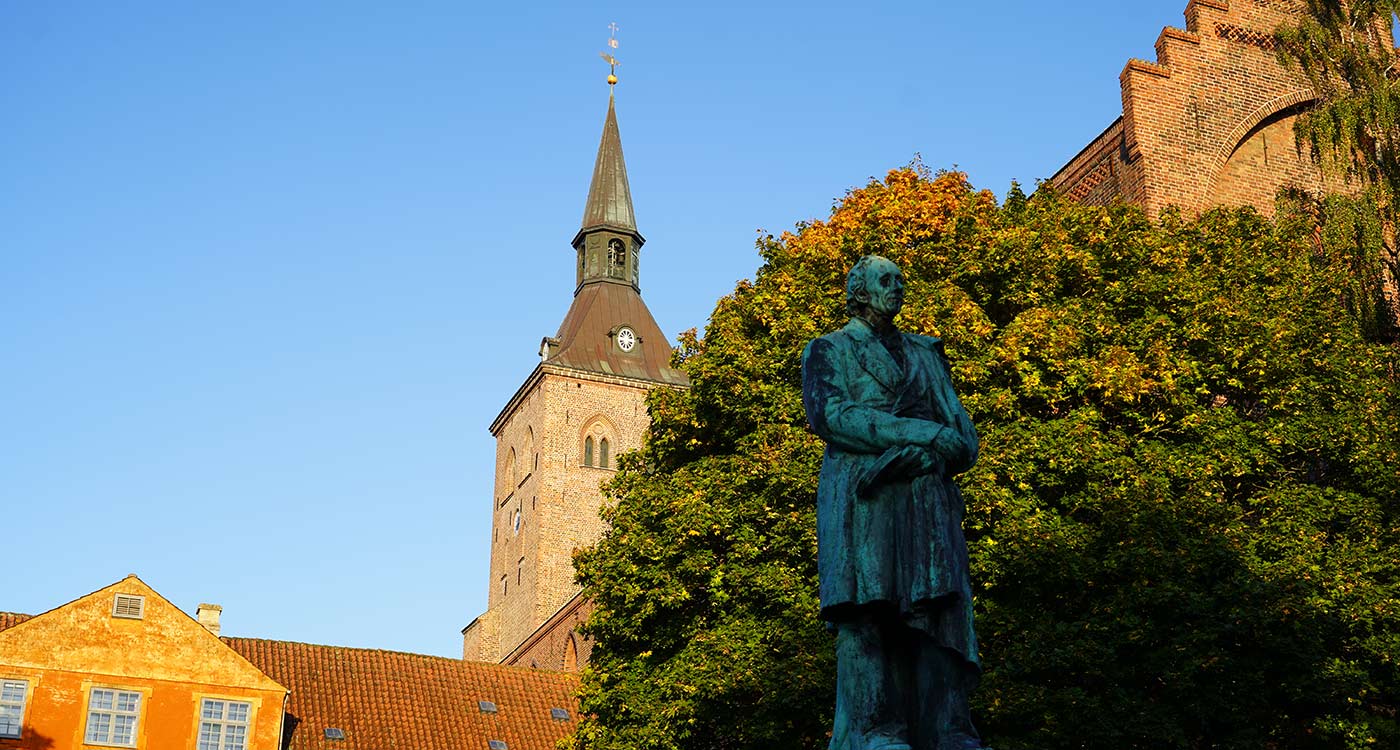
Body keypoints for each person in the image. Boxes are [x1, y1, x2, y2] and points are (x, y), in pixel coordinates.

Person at [801, 255, 985, 750]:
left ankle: (948, 727)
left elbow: (964, 438)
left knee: (940, 611)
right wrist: (920, 433)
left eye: (902, 280)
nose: (898, 287)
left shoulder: (926, 354)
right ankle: (873, 729)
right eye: (887, 280)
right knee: (870, 611)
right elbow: (834, 417)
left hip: (927, 500)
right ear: (858, 291)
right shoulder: (828, 350)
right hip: (866, 497)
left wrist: (933, 453)